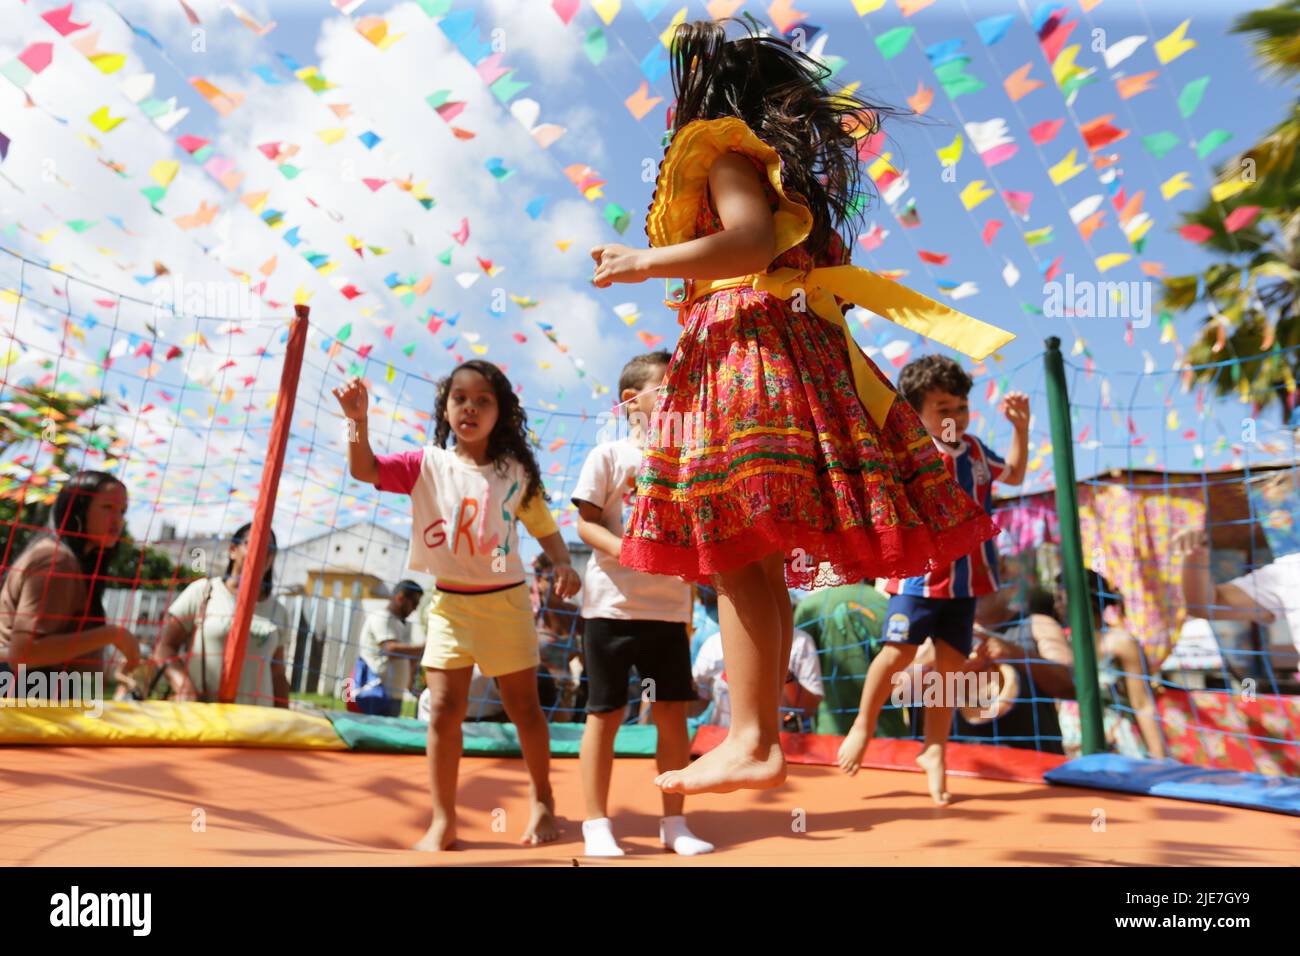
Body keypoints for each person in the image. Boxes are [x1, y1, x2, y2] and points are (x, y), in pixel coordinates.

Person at [589, 19, 1009, 797]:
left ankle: (751, 736)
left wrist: (644, 261)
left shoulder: (723, 155)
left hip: (749, 356)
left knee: (740, 546)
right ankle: (761, 732)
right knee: (759, 559)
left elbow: (747, 243)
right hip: (790, 354)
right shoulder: (784, 179)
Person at [333, 360, 580, 852]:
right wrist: (357, 421)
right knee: (445, 708)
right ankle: (444, 819)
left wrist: (563, 563)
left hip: (505, 604)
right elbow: (363, 469)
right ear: (446, 410)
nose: (470, 406)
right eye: (460, 398)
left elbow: (544, 527)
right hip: (450, 605)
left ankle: (543, 796)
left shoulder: (516, 473)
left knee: (524, 709)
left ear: (500, 412)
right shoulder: (426, 464)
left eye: (483, 400)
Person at [837, 355, 1029, 804]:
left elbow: (1016, 474)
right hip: (917, 580)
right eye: (944, 409)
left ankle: (935, 750)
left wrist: (1021, 428)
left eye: (961, 407)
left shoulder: (977, 452)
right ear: (917, 413)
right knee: (896, 652)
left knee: (950, 669)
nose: (956, 418)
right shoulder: (908, 452)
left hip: (965, 583)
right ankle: (863, 723)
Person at [572, 350, 712, 857]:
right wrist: (629, 549)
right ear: (633, 401)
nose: (680, 397)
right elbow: (585, 522)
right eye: (667, 387)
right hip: (611, 607)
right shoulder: (609, 456)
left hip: (669, 611)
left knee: (672, 713)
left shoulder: (690, 461)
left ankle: (674, 823)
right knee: (604, 712)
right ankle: (595, 821)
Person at [0, 471, 139, 695]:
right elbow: (23, 655)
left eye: (122, 511)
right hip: (24, 700)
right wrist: (113, 634)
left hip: (37, 698)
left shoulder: (66, 558)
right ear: (78, 510)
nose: (118, 520)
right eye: (107, 508)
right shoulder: (56, 560)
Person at [153, 523, 291, 707]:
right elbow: (164, 649)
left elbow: (277, 673)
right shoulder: (202, 592)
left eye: (270, 549)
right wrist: (184, 687)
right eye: (254, 543)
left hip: (258, 725)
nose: (263, 552)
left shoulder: (278, 611)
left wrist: (285, 719)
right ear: (233, 550)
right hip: (205, 721)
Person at [1053, 569, 1167, 759]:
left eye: (1061, 598)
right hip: (1069, 744)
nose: (1056, 605)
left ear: (1085, 598)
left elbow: (1142, 702)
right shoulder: (1061, 643)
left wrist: (1159, 759)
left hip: (1116, 744)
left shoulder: (1120, 642)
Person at [693, 619, 823, 732]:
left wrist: (784, 675)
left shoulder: (799, 642)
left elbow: (809, 709)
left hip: (778, 744)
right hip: (719, 741)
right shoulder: (714, 644)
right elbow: (696, 706)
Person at [354, 580, 426, 717]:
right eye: (414, 603)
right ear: (400, 598)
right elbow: (390, 649)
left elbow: (407, 655)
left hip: (392, 694)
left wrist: (412, 687)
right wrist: (425, 648)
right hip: (376, 693)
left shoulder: (399, 623)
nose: (416, 609)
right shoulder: (382, 617)